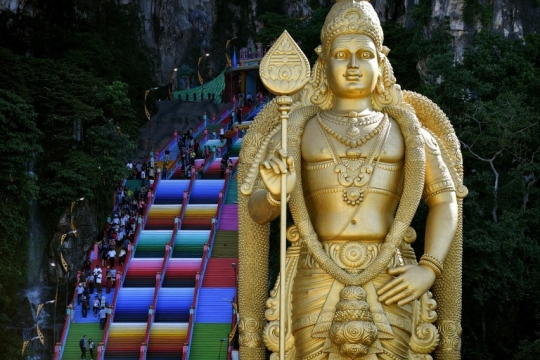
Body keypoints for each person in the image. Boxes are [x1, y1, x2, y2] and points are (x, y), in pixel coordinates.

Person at [237, 1, 466, 359]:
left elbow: (445, 199)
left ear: (382, 62)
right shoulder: (294, 130)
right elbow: (255, 210)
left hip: (391, 272)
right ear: (323, 63)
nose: (354, 65)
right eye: (342, 54)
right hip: (316, 269)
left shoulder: (408, 131)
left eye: (365, 54)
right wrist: (275, 197)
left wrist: (429, 267)